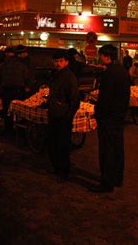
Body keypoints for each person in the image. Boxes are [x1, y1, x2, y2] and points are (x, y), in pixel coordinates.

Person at [91, 44, 130, 193]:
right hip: (119, 116)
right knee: (117, 148)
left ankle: (107, 182)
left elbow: (105, 98)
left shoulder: (109, 73)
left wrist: (98, 112)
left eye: (101, 55)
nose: (99, 58)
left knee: (107, 150)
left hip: (108, 118)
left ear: (107, 57)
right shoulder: (123, 72)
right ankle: (117, 178)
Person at [47, 51, 80, 181]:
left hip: (63, 115)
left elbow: (74, 99)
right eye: (56, 61)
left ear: (66, 62)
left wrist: (68, 116)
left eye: (60, 61)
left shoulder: (69, 77)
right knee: (53, 142)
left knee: (63, 144)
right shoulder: (55, 75)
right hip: (54, 113)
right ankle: (56, 167)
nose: (58, 63)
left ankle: (64, 171)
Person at [0, 46, 32, 137]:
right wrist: (27, 86)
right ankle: (19, 131)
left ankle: (8, 131)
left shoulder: (2, 65)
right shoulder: (22, 65)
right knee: (19, 111)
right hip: (19, 91)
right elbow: (27, 77)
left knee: (7, 111)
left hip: (6, 90)